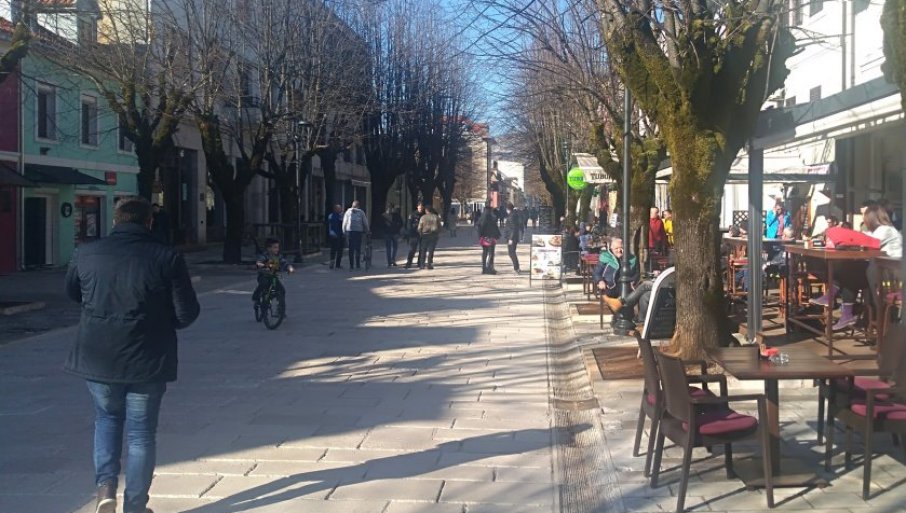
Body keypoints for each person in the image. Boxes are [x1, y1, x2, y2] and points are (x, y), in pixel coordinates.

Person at [64, 196, 200, 513]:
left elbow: (73, 293)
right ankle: (135, 506)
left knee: (106, 420)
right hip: (147, 356)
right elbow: (187, 313)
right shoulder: (166, 256)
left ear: (115, 220)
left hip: (98, 354)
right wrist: (160, 321)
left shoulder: (86, 252)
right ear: (149, 222)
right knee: (141, 434)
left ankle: (105, 490)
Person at [593, 237, 652, 322]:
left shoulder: (632, 258)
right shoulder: (605, 257)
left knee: (646, 294)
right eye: (616, 248)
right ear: (611, 248)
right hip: (611, 288)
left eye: (621, 248)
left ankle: (640, 319)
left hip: (628, 289)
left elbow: (636, 274)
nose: (619, 250)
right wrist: (600, 281)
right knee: (646, 285)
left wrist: (633, 281)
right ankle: (654, 286)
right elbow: (596, 273)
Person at [252, 238, 294, 314]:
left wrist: (289, 268)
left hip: (273, 277)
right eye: (275, 247)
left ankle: (280, 309)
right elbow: (259, 263)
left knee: (281, 290)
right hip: (264, 276)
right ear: (268, 248)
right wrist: (264, 266)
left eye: (277, 247)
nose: (277, 249)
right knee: (263, 284)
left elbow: (284, 263)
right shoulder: (264, 256)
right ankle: (256, 296)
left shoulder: (278, 257)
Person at [342, 200, 369, 270]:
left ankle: (351, 265)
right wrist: (367, 230)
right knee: (357, 248)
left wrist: (344, 231)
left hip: (350, 231)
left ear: (352, 205)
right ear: (358, 206)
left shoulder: (348, 212)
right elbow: (365, 222)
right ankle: (357, 264)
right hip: (358, 231)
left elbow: (344, 222)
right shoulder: (361, 212)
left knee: (351, 248)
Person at [478, 206, 501, 274]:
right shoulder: (491, 218)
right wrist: (497, 236)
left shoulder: (481, 218)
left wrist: (481, 236)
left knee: (484, 253)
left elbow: (479, 228)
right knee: (491, 254)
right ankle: (490, 268)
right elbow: (494, 228)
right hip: (491, 238)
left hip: (484, 239)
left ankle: (484, 268)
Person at [502, 202, 523, 274]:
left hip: (512, 238)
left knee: (511, 253)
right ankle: (517, 268)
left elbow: (513, 228)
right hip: (514, 237)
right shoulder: (514, 215)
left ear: (508, 209)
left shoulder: (511, 216)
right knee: (512, 252)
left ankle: (517, 268)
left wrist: (511, 238)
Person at [404, 203, 425, 269]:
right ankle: (409, 263)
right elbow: (409, 224)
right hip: (414, 234)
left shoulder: (424, 215)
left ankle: (420, 263)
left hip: (422, 234)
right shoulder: (412, 214)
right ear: (417, 207)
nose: (420, 209)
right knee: (412, 249)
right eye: (419, 208)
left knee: (422, 249)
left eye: (421, 208)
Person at [327, 204, 344, 269]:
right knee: (336, 250)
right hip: (336, 234)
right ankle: (334, 264)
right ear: (335, 209)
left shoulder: (332, 216)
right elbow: (330, 225)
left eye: (340, 208)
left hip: (336, 234)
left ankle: (335, 264)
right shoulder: (337, 216)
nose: (340, 210)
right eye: (339, 209)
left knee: (336, 250)